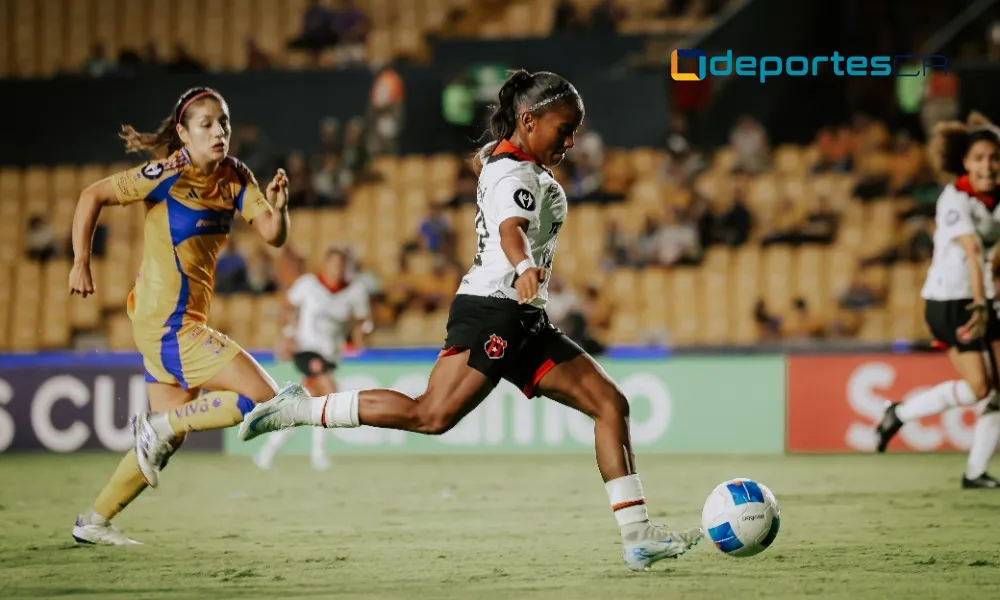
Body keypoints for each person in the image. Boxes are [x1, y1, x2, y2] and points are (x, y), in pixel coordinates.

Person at [237, 69, 703, 571]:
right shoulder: (515, 173)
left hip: (523, 316)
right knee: (430, 415)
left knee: (611, 404)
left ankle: (637, 535)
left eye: (574, 131)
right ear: (528, 119)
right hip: (495, 311)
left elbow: (496, 182)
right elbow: (511, 231)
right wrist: (524, 266)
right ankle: (300, 409)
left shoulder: (509, 160)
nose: (571, 140)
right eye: (563, 129)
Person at [68, 87, 291, 544]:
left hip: (172, 320)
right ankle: (157, 427)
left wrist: (281, 209)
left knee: (168, 438)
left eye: (223, 122)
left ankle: (94, 521)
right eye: (206, 124)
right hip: (168, 323)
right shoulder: (165, 173)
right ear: (183, 134)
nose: (218, 131)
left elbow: (272, 234)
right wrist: (80, 261)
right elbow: (92, 196)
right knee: (265, 398)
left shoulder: (235, 177)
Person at [875, 113, 1000, 489]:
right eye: (978, 158)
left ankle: (976, 472)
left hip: (985, 298)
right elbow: (974, 249)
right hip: (950, 301)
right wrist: (980, 305)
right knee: (981, 388)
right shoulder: (954, 198)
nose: (987, 165)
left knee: (998, 389)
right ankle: (900, 412)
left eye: (994, 157)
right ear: (964, 162)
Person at [253, 246, 372, 471]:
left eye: (341, 264)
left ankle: (267, 452)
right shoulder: (309, 284)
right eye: (333, 263)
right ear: (325, 264)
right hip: (306, 349)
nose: (337, 269)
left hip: (330, 354)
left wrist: (359, 336)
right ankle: (318, 456)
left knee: (307, 405)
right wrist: (288, 335)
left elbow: (362, 319)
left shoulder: (355, 291)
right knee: (329, 390)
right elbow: (288, 307)